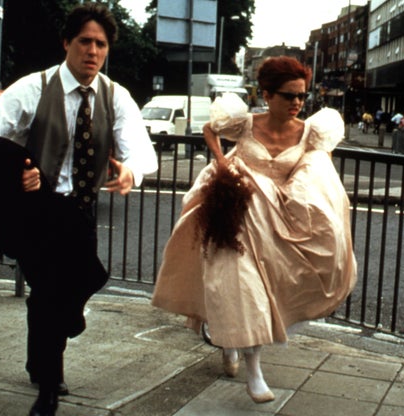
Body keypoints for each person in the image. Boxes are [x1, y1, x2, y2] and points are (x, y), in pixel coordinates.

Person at [0, 3, 158, 415]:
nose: (92, 51)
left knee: (85, 279)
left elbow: (142, 152)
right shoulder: (33, 88)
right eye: (84, 41)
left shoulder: (114, 96)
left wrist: (131, 174)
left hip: (80, 211)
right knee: (50, 293)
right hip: (36, 211)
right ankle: (49, 388)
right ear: (66, 43)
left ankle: (47, 351)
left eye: (100, 44)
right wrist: (14, 174)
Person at [152, 56, 357, 404]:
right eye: (287, 95)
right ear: (266, 94)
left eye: (301, 96)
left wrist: (305, 186)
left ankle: (228, 341)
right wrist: (221, 163)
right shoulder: (244, 123)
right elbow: (209, 130)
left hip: (280, 221)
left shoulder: (310, 132)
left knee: (268, 289)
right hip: (239, 217)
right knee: (242, 286)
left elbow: (321, 163)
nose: (296, 103)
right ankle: (254, 370)